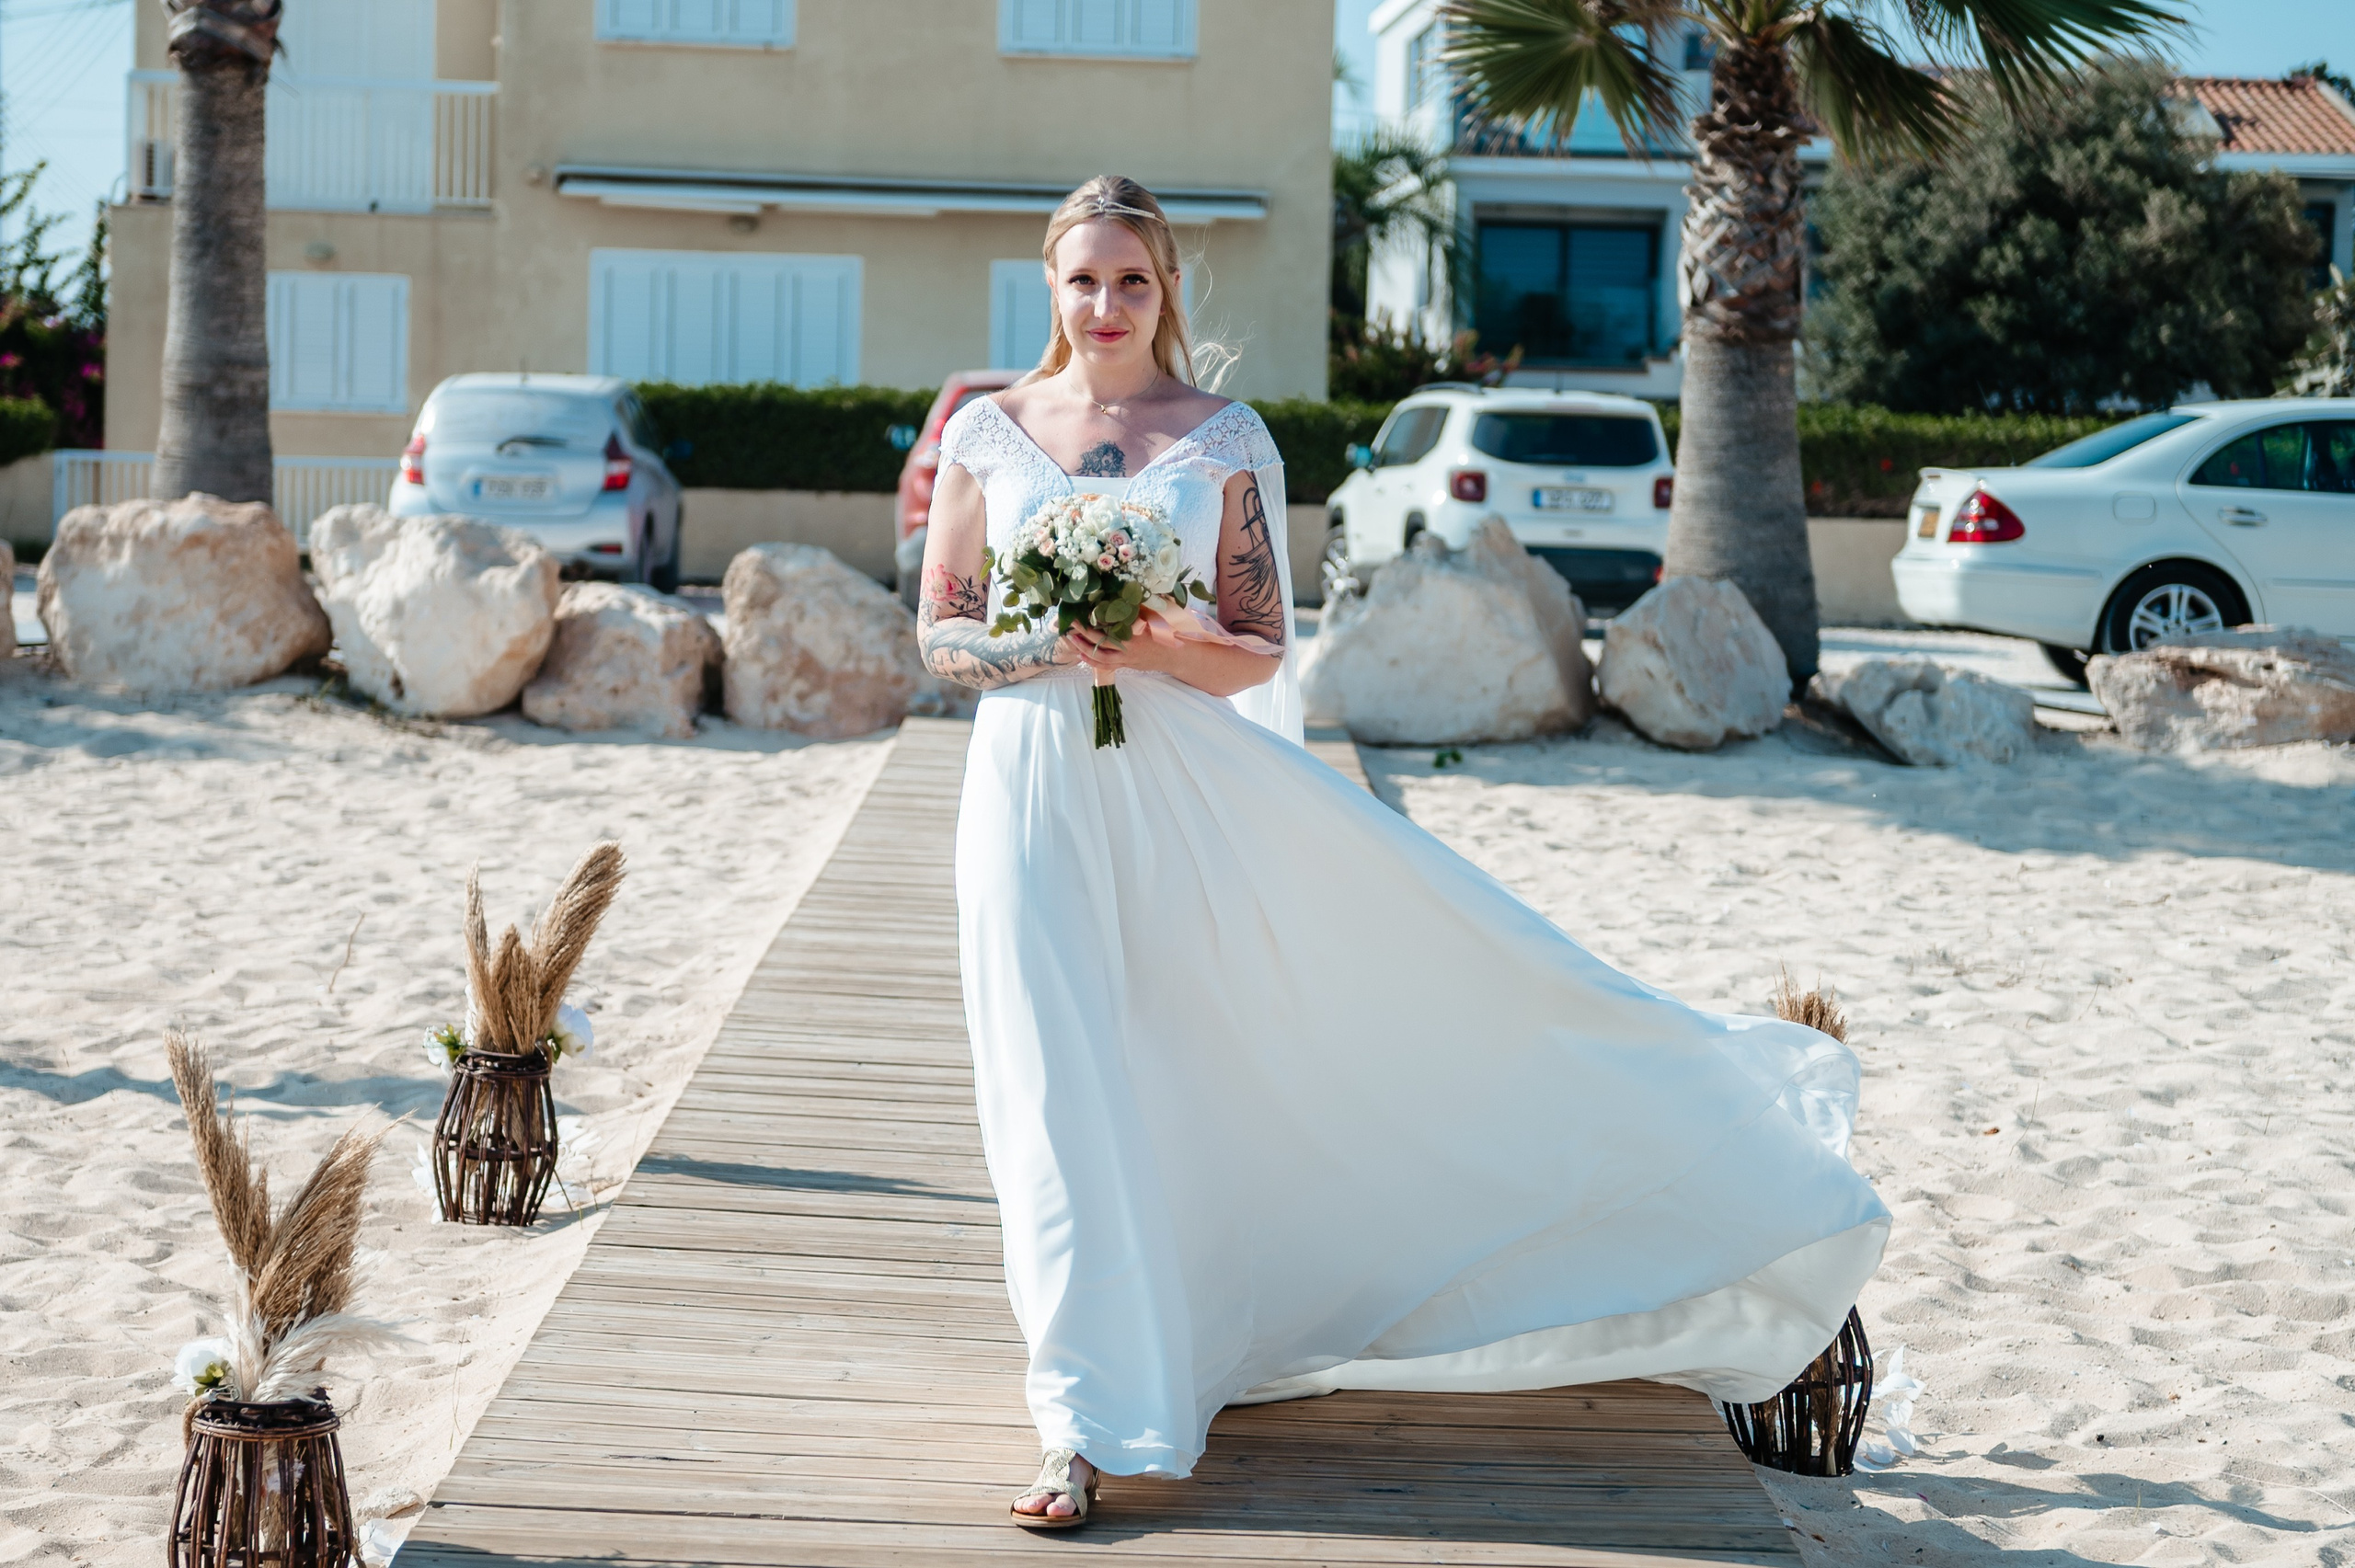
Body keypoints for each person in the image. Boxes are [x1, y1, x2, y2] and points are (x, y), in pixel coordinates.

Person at [917, 175, 1890, 1530]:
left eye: (1133, 279)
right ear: (1051, 284)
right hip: (1027, 785)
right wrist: (1044, 641)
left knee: (1180, 1072)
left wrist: (1150, 641)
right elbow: (943, 633)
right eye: (1084, 279)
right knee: (1050, 1086)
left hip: (1181, 789)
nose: (1107, 305)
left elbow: (1258, 646)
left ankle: (1193, 1331)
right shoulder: (990, 431)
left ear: (1167, 288)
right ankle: (1076, 1423)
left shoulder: (1222, 439)